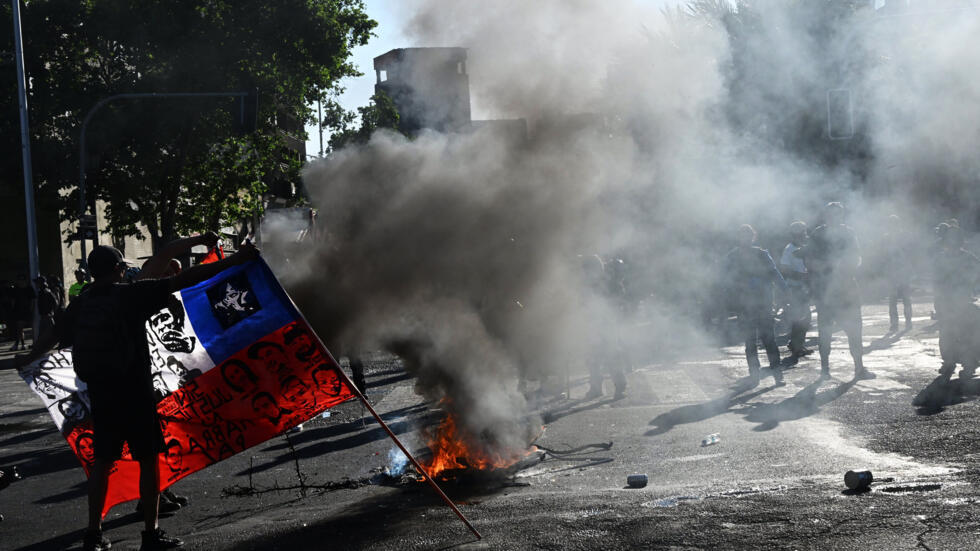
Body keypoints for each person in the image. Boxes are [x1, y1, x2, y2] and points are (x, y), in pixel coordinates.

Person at [15, 242, 258, 551]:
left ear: (91, 271)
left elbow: (52, 335)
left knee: (102, 463)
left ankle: (93, 533)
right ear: (118, 269)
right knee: (148, 460)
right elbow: (187, 278)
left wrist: (28, 357)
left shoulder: (81, 303)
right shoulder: (130, 294)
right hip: (134, 392)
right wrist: (237, 259)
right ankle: (151, 533)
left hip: (101, 393)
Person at [802, 202, 872, 380]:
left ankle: (859, 368)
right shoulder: (817, 234)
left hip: (847, 287)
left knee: (855, 329)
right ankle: (825, 370)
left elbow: (857, 256)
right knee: (825, 330)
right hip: (825, 289)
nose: (834, 217)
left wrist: (848, 265)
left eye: (838, 214)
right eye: (831, 214)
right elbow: (809, 261)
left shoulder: (848, 233)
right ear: (826, 215)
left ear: (842, 215)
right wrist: (824, 267)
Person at [723, 225, 787, 384]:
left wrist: (785, 292)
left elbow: (775, 273)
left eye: (748, 235)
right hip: (744, 304)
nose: (745, 238)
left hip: (763, 302)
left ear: (753, 237)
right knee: (750, 341)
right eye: (742, 235)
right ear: (738, 237)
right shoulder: (733, 256)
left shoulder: (762, 254)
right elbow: (726, 280)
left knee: (769, 339)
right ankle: (754, 374)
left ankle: (778, 374)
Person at [933, 225, 980, 379]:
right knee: (947, 334)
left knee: (966, 334)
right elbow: (936, 281)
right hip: (945, 301)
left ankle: (969, 364)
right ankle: (949, 362)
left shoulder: (968, 258)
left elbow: (976, 275)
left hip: (962, 301)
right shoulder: (940, 258)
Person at [582, 254, 628, 400]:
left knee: (611, 355)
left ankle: (620, 386)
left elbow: (619, 297)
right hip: (594, 323)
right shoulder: (588, 283)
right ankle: (596, 387)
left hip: (608, 324)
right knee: (592, 357)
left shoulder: (609, 281)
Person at [779, 221, 813, 359]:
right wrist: (802, 276)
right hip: (795, 287)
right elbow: (785, 269)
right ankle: (795, 345)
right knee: (801, 317)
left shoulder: (803, 248)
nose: (804, 236)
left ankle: (798, 343)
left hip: (802, 287)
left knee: (804, 317)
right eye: (801, 233)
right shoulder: (789, 249)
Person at [882, 214, 913, 332]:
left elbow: (910, 254)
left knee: (906, 298)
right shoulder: (886, 238)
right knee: (893, 299)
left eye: (894, 223)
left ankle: (908, 321)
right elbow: (883, 256)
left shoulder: (904, 237)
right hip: (891, 272)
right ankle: (894, 324)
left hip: (903, 271)